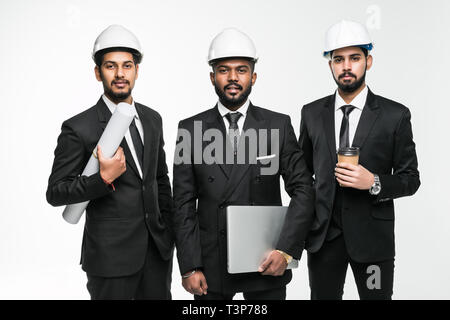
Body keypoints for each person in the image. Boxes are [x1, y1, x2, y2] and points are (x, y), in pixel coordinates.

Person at [172, 28, 315, 300]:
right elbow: (182, 203)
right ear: (212, 77)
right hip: (210, 265)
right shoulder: (189, 129)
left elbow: (303, 190)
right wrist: (189, 266)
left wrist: (286, 250)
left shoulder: (279, 125)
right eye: (224, 70)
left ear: (253, 76)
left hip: (266, 260)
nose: (233, 78)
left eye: (241, 70)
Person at [46, 25, 174, 299]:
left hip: (156, 255)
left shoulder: (153, 119)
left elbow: (160, 181)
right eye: (110, 66)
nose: (119, 74)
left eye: (127, 66)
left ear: (137, 71)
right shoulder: (79, 127)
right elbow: (55, 192)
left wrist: (169, 234)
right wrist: (101, 180)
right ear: (98, 72)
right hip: (110, 259)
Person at [299, 20, 420, 299]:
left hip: (373, 243)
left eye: (355, 58)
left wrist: (374, 182)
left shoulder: (395, 115)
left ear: (369, 60)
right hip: (323, 240)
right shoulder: (311, 113)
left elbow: (411, 179)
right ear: (330, 64)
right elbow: (302, 176)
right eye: (338, 59)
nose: (346, 66)